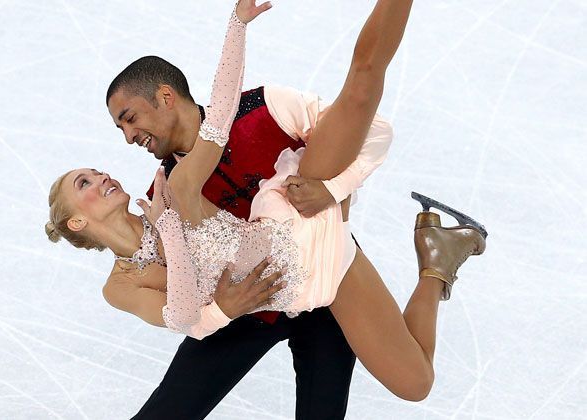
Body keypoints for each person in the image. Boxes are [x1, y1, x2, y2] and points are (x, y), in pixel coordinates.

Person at [46, 0, 484, 416]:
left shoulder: (262, 109)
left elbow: (362, 137)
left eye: (129, 117)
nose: (127, 136)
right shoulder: (168, 195)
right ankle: (437, 258)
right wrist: (222, 308)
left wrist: (332, 190)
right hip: (250, 307)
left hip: (317, 252)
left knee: (413, 383)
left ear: (164, 96)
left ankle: (436, 261)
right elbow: (180, 304)